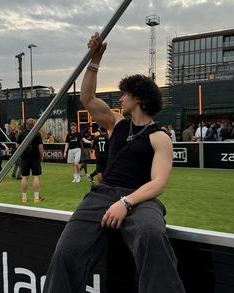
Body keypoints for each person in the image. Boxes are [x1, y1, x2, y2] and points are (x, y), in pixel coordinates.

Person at [43, 32, 185, 293]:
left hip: (140, 199)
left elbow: (159, 184)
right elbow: (87, 97)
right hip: (102, 195)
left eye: (124, 94)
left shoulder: (160, 138)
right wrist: (96, 58)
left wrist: (125, 203)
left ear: (138, 98)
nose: (120, 99)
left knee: (151, 235)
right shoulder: (116, 124)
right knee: (66, 251)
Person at [17, 118, 43, 203]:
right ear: (34, 125)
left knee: (24, 177)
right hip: (35, 158)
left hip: (24, 158)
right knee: (36, 177)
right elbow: (40, 148)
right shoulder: (37, 134)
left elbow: (17, 146)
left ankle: (24, 198)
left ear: (26, 125)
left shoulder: (21, 134)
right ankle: (36, 198)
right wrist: (41, 156)